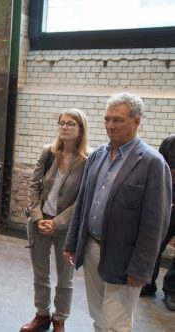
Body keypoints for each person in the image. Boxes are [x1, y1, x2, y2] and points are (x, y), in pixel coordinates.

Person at [63, 92, 171, 332]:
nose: (110, 126)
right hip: (91, 248)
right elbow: (83, 203)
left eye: (118, 120)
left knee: (117, 324)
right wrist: (72, 242)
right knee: (98, 317)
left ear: (137, 122)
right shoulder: (97, 156)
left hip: (124, 258)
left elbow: (156, 224)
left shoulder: (153, 163)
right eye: (107, 119)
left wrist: (141, 269)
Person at [20, 108, 89, 332]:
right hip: (39, 224)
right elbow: (33, 185)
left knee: (65, 279)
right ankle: (41, 315)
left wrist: (57, 222)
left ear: (80, 130)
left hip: (66, 227)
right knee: (41, 275)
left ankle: (59, 319)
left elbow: (82, 199)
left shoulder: (88, 160)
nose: (64, 127)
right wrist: (38, 217)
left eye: (70, 124)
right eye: (62, 123)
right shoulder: (48, 152)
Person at [140, 134, 175, 311]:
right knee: (155, 244)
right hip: (167, 203)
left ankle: (172, 290)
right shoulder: (169, 142)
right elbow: (161, 172)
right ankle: (147, 282)